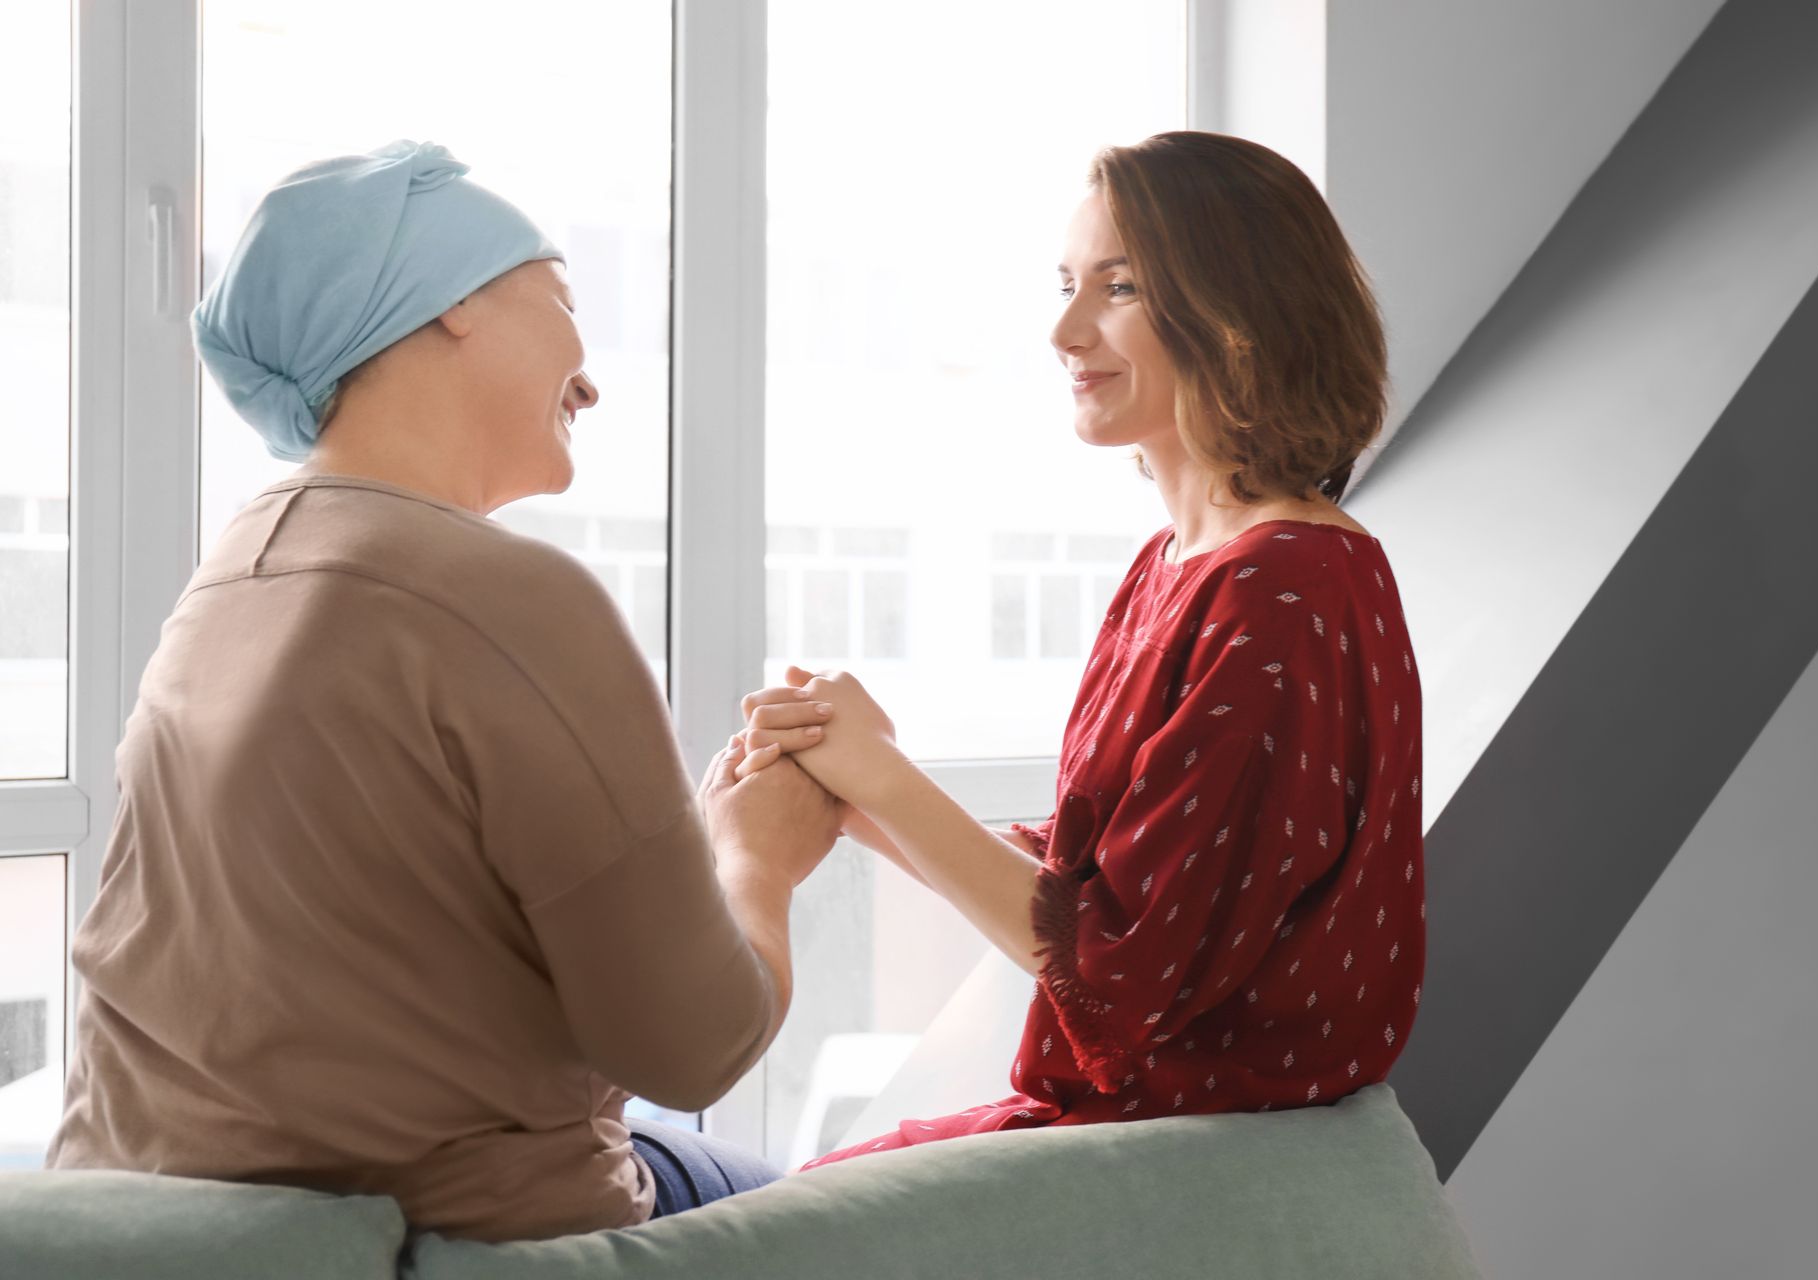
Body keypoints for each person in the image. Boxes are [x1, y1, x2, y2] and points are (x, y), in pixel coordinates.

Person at [45, 140, 838, 1241]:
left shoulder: (232, 572)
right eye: (562, 298)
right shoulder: (509, 594)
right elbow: (694, 1045)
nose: (594, 374)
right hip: (445, 1232)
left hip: (156, 1226)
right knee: (840, 1204)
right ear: (453, 306)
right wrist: (761, 851)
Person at [733, 131, 1427, 1169]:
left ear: (1239, 317)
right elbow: (1087, 888)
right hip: (1129, 1129)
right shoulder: (1179, 562)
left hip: (1167, 1150)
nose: (1064, 328)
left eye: (1119, 287)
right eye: (1067, 283)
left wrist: (872, 769)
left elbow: (1107, 976)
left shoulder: (1282, 586)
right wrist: (848, 792)